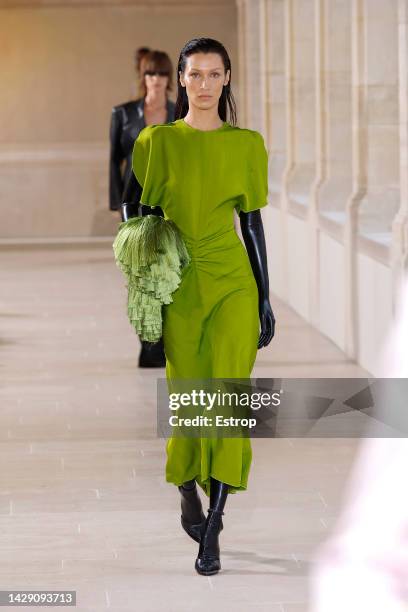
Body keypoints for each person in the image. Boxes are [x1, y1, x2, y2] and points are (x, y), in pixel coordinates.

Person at [121, 37, 276, 575]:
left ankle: (214, 526)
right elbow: (134, 208)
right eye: (196, 75)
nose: (205, 84)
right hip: (181, 282)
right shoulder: (157, 141)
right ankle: (187, 486)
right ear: (180, 79)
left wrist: (266, 297)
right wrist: (144, 262)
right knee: (189, 391)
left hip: (234, 281)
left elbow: (252, 223)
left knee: (230, 394)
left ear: (227, 78)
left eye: (215, 74)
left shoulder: (247, 145)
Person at [109, 48, 175, 367]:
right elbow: (114, 160)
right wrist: (119, 213)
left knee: (169, 275)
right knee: (142, 276)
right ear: (143, 77)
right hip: (134, 205)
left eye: (162, 74)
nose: (157, 80)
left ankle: (164, 340)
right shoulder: (123, 114)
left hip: (170, 204)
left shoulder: (181, 114)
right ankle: (149, 342)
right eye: (152, 74)